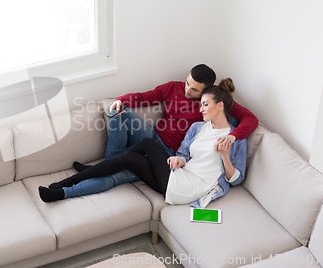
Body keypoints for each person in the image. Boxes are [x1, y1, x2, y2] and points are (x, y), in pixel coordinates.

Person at [43, 64, 257, 201]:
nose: (186, 90)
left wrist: (232, 136)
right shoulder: (174, 88)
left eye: (194, 90)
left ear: (207, 92)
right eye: (187, 83)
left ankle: (72, 187)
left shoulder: (211, 104)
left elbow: (250, 119)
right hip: (152, 139)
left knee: (117, 175)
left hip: (167, 155)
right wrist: (121, 101)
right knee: (119, 112)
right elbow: (144, 97)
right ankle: (108, 163)